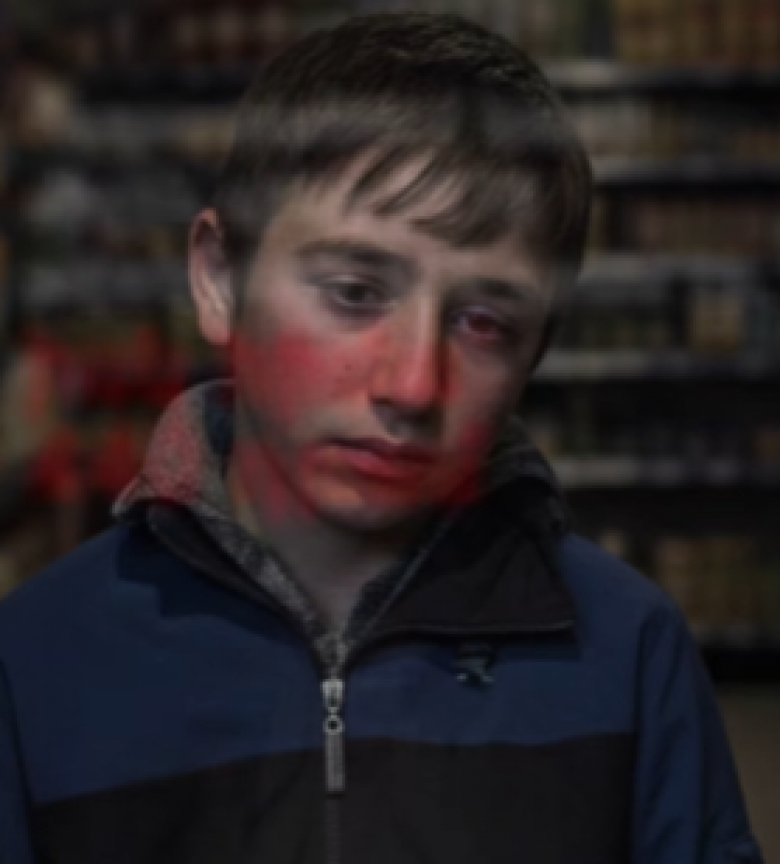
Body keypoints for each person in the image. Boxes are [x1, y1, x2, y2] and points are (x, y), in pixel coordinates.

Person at [0, 13, 764, 864]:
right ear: (219, 279)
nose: (413, 385)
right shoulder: (35, 668)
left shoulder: (630, 655)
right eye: (355, 292)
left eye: (484, 323)